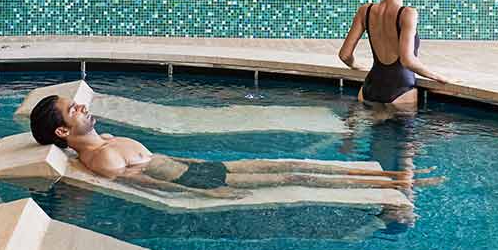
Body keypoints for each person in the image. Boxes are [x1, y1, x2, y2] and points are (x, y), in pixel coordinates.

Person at [27, 95, 438, 195]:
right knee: (292, 173)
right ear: (63, 132)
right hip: (203, 180)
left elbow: (155, 162)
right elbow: (147, 183)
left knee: (290, 164)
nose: (81, 106)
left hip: (201, 165)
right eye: (72, 109)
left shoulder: (111, 140)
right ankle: (387, 182)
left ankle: (386, 176)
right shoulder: (101, 158)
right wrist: (214, 192)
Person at [338, 0, 447, 109]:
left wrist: (356, 66)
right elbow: (407, 60)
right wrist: (438, 77)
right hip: (399, 90)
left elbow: (344, 55)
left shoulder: (365, 11)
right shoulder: (408, 13)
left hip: (369, 87)